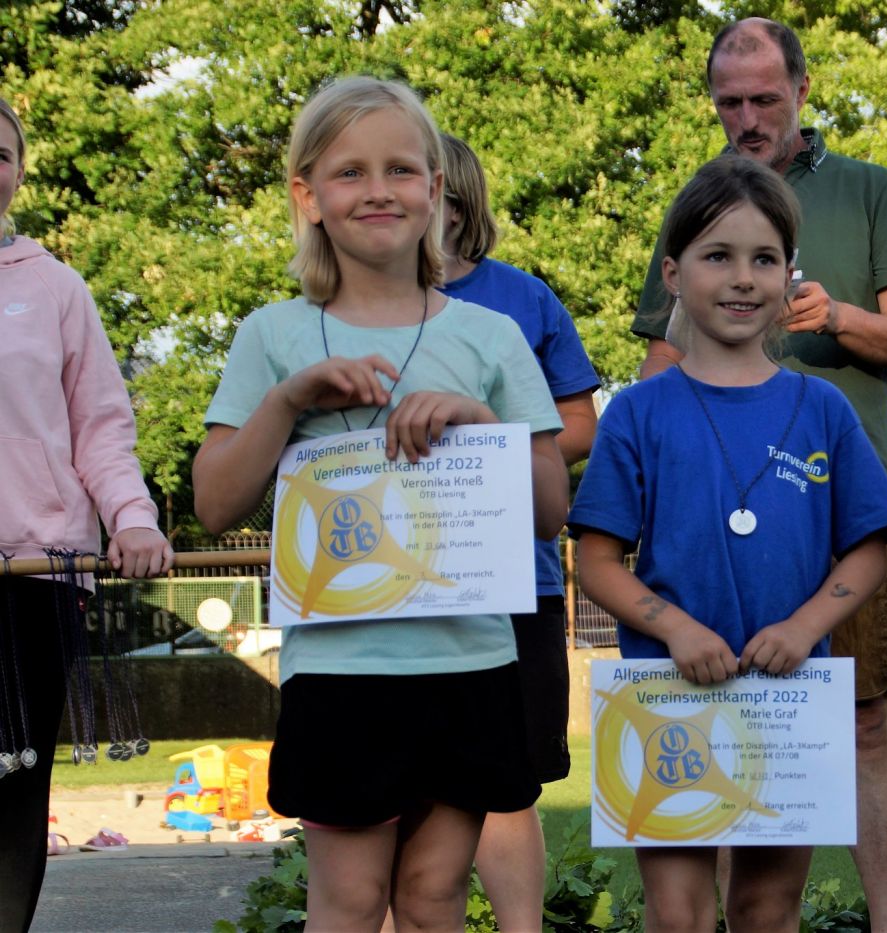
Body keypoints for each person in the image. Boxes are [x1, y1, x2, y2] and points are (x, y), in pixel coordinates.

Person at [191, 77, 568, 932]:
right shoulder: (272, 334)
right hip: (341, 671)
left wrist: (481, 425)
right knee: (352, 899)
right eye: (350, 172)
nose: (378, 190)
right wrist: (289, 400)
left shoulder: (491, 337)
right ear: (308, 196)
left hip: (471, 664)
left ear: (435, 189)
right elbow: (214, 501)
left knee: (434, 896)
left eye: (400, 169)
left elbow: (550, 510)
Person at [630, 20, 887, 926]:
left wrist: (833, 316)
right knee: (721, 711)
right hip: (708, 511)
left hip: (837, 508)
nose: (749, 117)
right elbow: (659, 354)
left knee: (865, 720)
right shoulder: (698, 200)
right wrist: (645, 456)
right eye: (730, 101)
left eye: (766, 97)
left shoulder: (872, 188)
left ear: (802, 89)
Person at [572, 155, 887, 932]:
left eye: (764, 259)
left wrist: (803, 627)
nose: (742, 278)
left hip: (786, 701)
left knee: (766, 907)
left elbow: (869, 548)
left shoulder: (823, 409)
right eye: (717, 255)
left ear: (790, 276)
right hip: (668, 697)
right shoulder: (637, 413)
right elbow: (596, 560)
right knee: (679, 911)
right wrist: (674, 628)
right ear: (674, 273)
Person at [0, 95, 174, 933]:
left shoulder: (56, 288)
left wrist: (132, 517)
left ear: (18, 173)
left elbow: (101, 424)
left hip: (33, 573)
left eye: (0, 155)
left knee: (12, 780)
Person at [437, 132, 599, 929]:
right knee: (396, 792)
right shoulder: (339, 308)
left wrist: (490, 448)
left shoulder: (523, 300)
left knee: (508, 782)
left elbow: (580, 425)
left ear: (459, 203)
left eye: (421, 184)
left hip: (514, 579)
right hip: (391, 591)